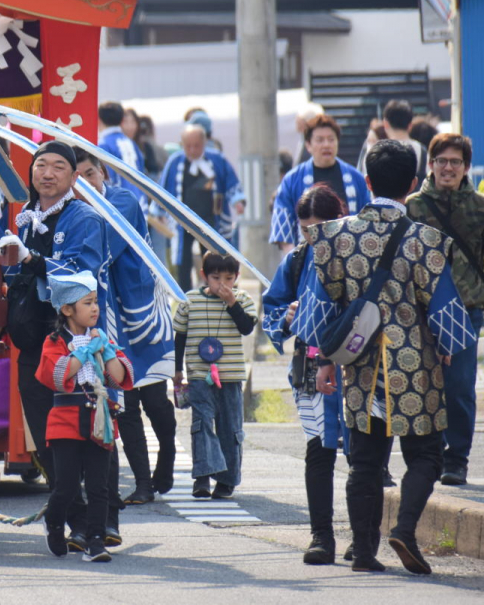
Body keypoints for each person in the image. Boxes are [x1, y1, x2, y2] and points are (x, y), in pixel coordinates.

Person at [297, 140, 475, 575]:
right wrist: (447, 350)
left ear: (368, 181)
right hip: (416, 367)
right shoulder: (426, 240)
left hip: (359, 365)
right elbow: (447, 315)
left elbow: (319, 309)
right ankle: (405, 530)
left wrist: (324, 359)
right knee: (426, 455)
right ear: (412, 183)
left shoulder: (334, 236)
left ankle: (363, 551)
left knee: (365, 462)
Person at [0, 141, 111, 549]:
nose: (47, 173)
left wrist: (32, 260)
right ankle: (78, 519)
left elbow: (84, 274)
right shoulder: (26, 217)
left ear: (74, 176)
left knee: (89, 431)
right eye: (40, 165)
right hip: (34, 342)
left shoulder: (85, 217)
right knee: (47, 435)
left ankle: (99, 522)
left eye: (58, 167)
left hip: (75, 343)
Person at [407, 133, 484, 484]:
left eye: (455, 162)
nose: (448, 168)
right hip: (420, 311)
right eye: (441, 161)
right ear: (430, 165)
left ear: (466, 167)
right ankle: (428, 455)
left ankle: (456, 458)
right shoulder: (413, 207)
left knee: (458, 386)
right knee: (421, 385)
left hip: (465, 308)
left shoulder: (481, 207)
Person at [73, 148, 176, 503]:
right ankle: (143, 484)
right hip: (107, 316)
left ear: (103, 173)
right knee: (125, 403)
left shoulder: (123, 201)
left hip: (140, 312)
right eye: (78, 179)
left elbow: (100, 251)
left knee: (155, 400)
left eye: (90, 174)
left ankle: (167, 452)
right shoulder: (76, 211)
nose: (86, 184)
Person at [262, 184, 349, 564]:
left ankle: (363, 539)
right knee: (319, 451)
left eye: (320, 228)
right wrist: (287, 317)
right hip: (310, 369)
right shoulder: (296, 260)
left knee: (364, 458)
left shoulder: (359, 255)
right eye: (305, 230)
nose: (313, 237)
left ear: (339, 220)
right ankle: (322, 537)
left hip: (358, 369)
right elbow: (271, 309)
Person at [36, 271, 133, 563]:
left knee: (99, 486)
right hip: (65, 421)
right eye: (87, 303)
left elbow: (119, 378)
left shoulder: (100, 337)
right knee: (66, 486)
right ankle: (54, 521)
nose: (95, 309)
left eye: (95, 302)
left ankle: (95, 541)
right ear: (67, 310)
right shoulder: (54, 341)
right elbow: (58, 375)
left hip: (99, 420)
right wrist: (85, 351)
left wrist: (106, 350)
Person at [173, 251, 256, 501]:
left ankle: (226, 480)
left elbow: (246, 327)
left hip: (230, 375)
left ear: (237, 277)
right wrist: (177, 370)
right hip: (199, 374)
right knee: (202, 423)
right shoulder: (189, 301)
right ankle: (202, 477)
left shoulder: (242, 299)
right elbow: (180, 337)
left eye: (229, 278)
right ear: (204, 276)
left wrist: (232, 304)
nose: (222, 284)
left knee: (230, 427)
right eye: (216, 278)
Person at [159, 123, 245, 289]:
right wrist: (159, 212)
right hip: (183, 221)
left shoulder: (217, 159)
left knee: (213, 259)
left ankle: (214, 291)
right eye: (188, 146)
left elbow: (231, 182)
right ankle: (184, 295)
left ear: (204, 143)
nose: (192, 150)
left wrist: (238, 202)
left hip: (210, 219)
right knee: (183, 261)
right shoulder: (175, 162)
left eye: (196, 146)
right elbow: (164, 189)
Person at [271, 114, 370, 252]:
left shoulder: (356, 178)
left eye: (331, 139)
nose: (326, 145)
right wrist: (296, 259)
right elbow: (283, 228)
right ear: (308, 145)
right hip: (307, 258)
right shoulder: (292, 180)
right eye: (320, 140)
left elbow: (367, 221)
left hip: (350, 256)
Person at [357, 100, 428, 190]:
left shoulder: (377, 149)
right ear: (410, 125)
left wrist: (370, 145)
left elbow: (362, 174)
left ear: (386, 123)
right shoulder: (421, 150)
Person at [97, 102, 145, 203]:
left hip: (119, 202)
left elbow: (105, 179)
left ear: (99, 120)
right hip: (140, 200)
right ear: (122, 120)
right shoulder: (130, 142)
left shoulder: (103, 144)